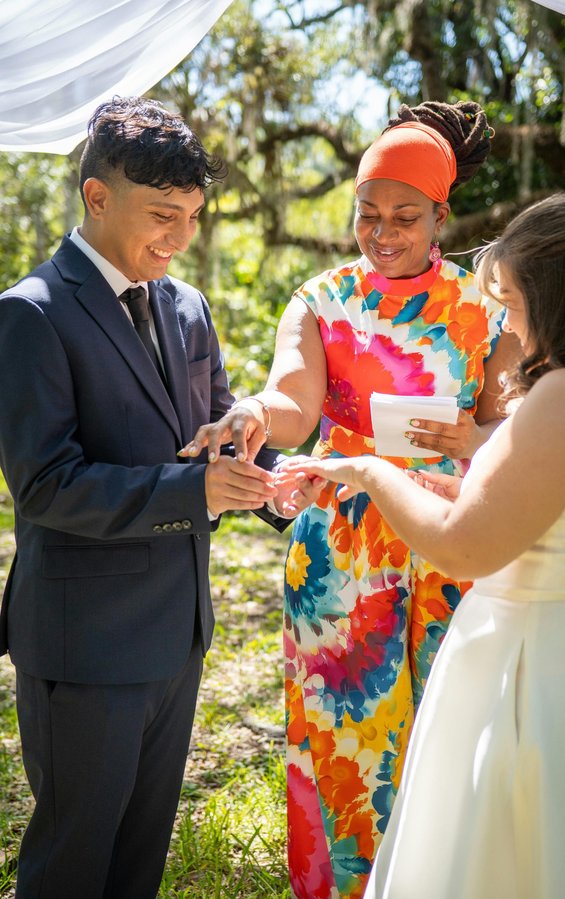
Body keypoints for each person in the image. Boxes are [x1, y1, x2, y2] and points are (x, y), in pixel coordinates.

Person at [180, 100, 521, 898]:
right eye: (368, 215)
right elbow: (292, 400)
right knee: (345, 746)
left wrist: (475, 435)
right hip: (342, 550)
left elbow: (514, 421)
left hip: (455, 538)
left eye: (406, 216)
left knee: (453, 733)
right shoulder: (323, 300)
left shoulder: (487, 309)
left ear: (442, 215)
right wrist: (257, 414)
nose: (384, 232)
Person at [0, 96, 318, 899]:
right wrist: (193, 489)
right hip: (85, 646)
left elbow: (219, 424)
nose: (179, 237)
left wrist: (282, 477)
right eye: (162, 215)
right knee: (70, 869)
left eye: (193, 217)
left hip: (180, 635)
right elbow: (43, 485)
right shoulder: (28, 314)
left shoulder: (186, 305)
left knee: (137, 868)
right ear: (97, 197)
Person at [282, 192, 565, 899]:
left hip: (535, 660)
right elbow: (542, 508)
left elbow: (463, 551)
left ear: (559, 297)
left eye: (514, 301)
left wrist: (369, 471)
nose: (509, 326)